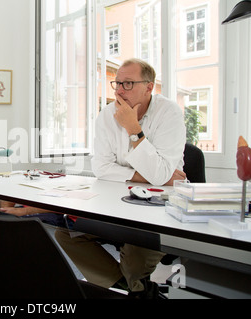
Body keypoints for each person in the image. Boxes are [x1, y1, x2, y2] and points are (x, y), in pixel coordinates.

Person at [55, 58, 186, 298]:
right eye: (117, 83)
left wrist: (133, 129)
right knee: (67, 234)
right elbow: (102, 168)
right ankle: (134, 290)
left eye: (128, 83)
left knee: (135, 261)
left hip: (158, 211)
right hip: (117, 205)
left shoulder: (170, 113)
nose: (118, 90)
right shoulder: (106, 115)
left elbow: (159, 175)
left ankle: (132, 288)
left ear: (149, 87)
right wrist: (154, 176)